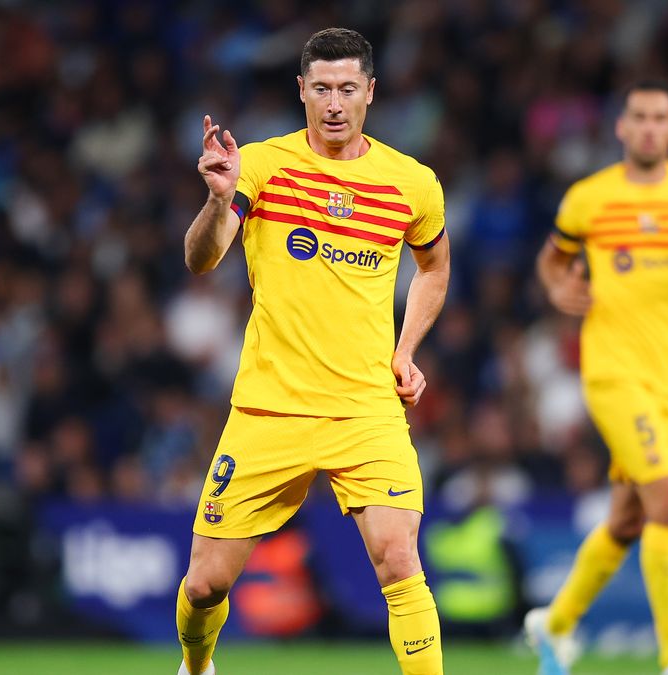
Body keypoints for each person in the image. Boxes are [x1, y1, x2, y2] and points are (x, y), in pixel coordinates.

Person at [177, 27, 450, 675]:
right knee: (203, 586)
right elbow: (202, 258)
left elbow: (434, 267)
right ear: (301, 90)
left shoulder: (411, 183)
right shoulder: (263, 165)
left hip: (365, 407)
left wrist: (406, 348)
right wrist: (219, 201)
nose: (334, 102)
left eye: (347, 88)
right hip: (270, 409)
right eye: (321, 88)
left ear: (371, 93)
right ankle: (195, 665)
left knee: (399, 556)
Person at [525, 80, 668, 675]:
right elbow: (552, 258)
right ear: (622, 129)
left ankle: (552, 629)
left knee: (629, 519)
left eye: (661, 118)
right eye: (640, 118)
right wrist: (557, 287)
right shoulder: (590, 198)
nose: (650, 127)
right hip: (612, 374)